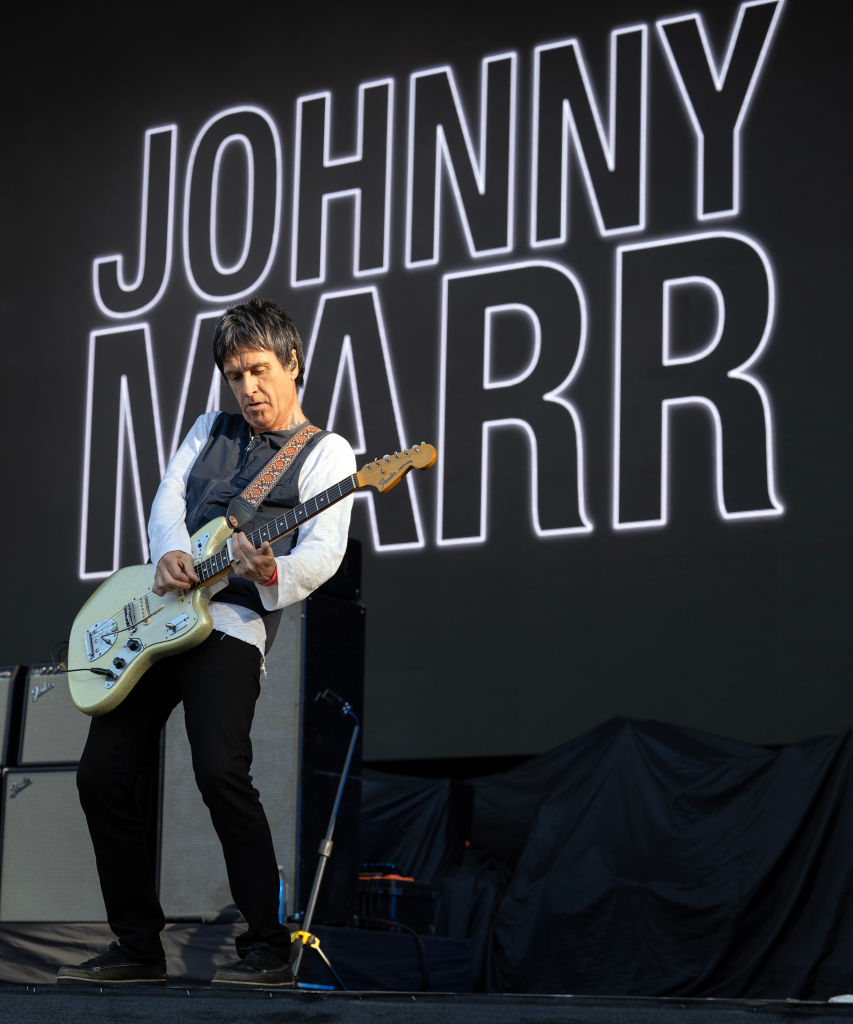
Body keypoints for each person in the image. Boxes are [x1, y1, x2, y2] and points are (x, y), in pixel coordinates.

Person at [58, 298, 356, 988]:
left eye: (257, 370)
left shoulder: (327, 452)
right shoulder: (208, 428)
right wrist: (166, 552)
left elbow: (324, 551)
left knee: (221, 771)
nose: (247, 388)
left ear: (292, 364)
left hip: (229, 626)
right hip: (160, 613)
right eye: (234, 375)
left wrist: (271, 569)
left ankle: (264, 946)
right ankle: (136, 947)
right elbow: (168, 496)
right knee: (101, 777)